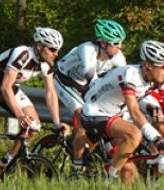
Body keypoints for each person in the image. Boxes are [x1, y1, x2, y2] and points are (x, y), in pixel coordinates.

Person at [0, 27, 67, 170]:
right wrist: (19, 115)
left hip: (9, 87)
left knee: (33, 127)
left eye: (57, 50)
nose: (56, 54)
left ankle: (3, 165)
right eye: (52, 49)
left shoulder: (46, 63)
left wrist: (57, 123)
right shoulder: (23, 54)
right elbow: (4, 87)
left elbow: (50, 92)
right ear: (39, 46)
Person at [81, 40, 164, 184]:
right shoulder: (130, 74)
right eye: (163, 67)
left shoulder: (149, 78)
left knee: (128, 170)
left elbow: (140, 97)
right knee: (134, 134)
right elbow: (134, 111)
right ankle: (109, 180)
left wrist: (151, 107)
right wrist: (157, 139)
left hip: (112, 115)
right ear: (148, 65)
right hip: (94, 112)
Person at [55, 19, 128, 176]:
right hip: (65, 81)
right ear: (103, 43)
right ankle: (76, 170)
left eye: (121, 42)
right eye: (116, 43)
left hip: (85, 85)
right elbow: (92, 80)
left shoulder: (117, 56)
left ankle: (85, 147)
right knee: (84, 116)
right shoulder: (87, 50)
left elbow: (124, 80)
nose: (120, 46)